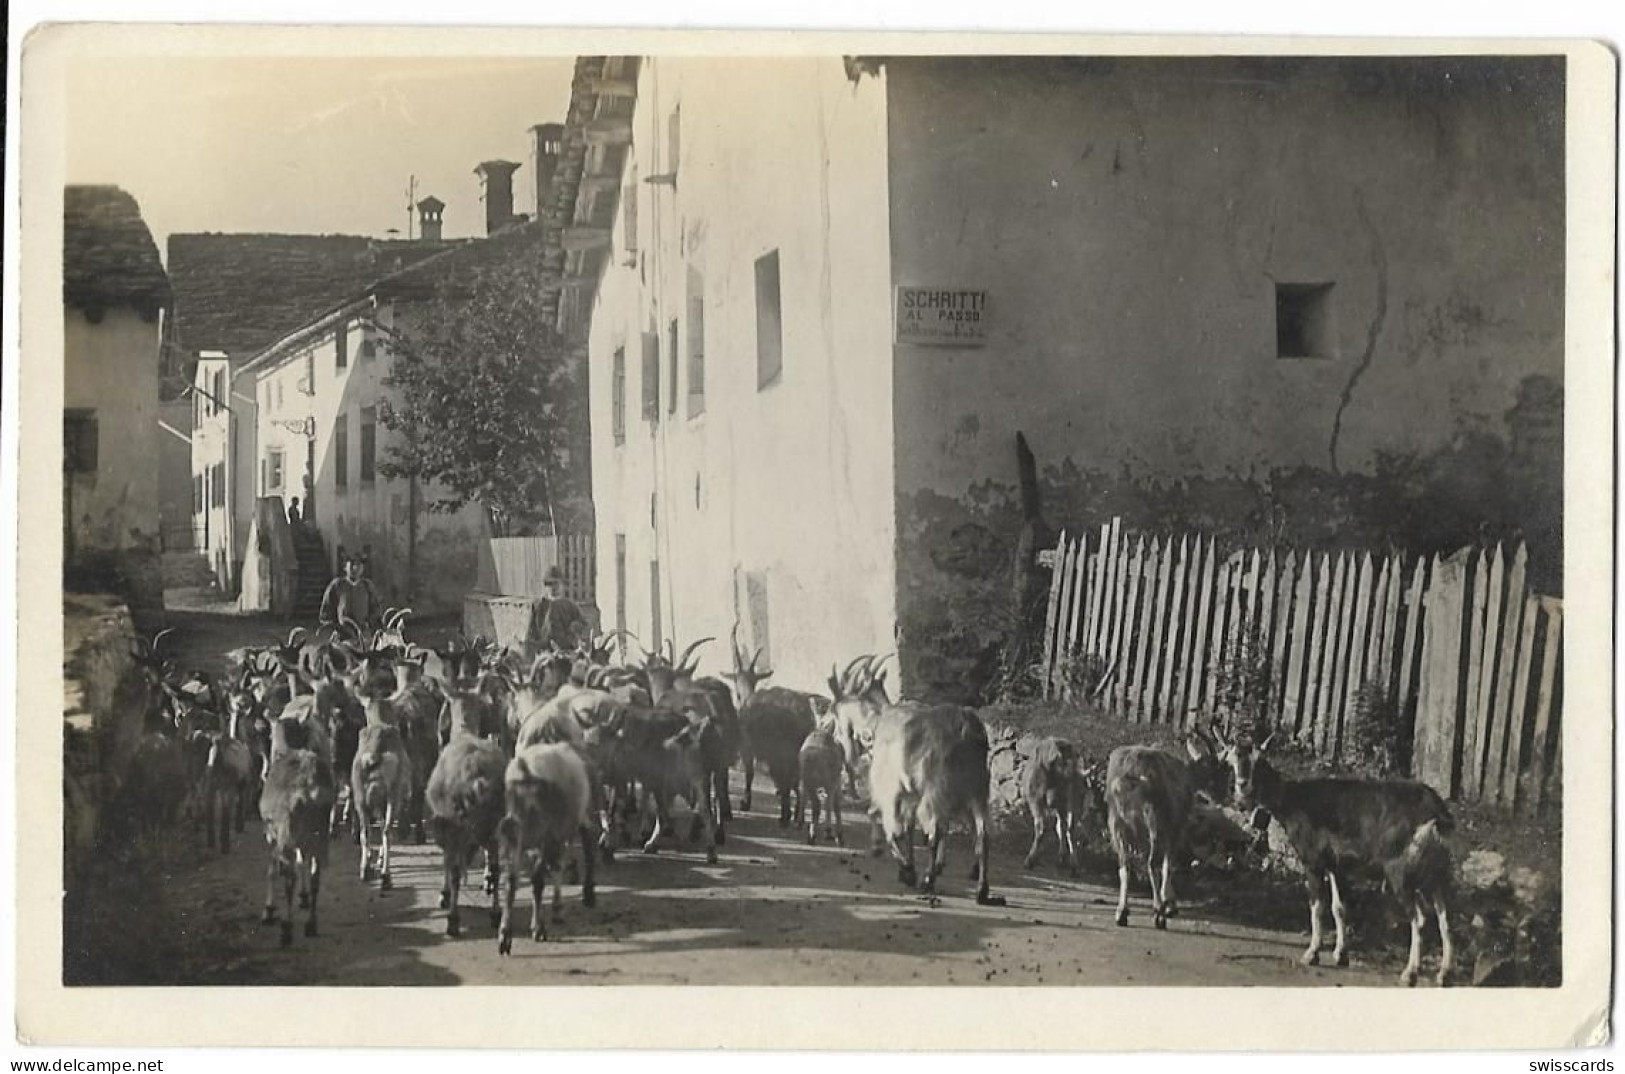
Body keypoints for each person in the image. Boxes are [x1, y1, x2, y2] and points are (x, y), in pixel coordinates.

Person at [319, 552, 381, 635]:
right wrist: (336, 627)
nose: (355, 568)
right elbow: (326, 612)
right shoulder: (337, 585)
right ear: (345, 567)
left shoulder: (367, 586)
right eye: (351, 564)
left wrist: (368, 623)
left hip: (364, 634)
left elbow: (376, 609)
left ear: (362, 568)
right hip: (342, 634)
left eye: (359, 565)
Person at [531, 565, 586, 654]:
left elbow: (582, 623)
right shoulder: (538, 606)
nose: (553, 587)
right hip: (543, 651)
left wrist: (573, 631)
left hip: (566, 651)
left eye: (556, 583)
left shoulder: (570, 605)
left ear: (562, 585)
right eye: (549, 584)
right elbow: (531, 631)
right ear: (545, 586)